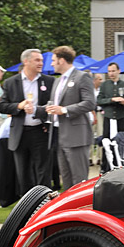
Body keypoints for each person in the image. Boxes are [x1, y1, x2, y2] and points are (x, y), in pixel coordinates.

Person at [0, 48, 55, 194]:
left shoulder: (49, 81)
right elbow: (2, 106)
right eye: (37, 60)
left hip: (41, 132)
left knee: (43, 172)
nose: (41, 63)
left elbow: (52, 105)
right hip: (20, 133)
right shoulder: (11, 82)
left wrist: (38, 111)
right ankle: (27, 208)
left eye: (41, 60)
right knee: (23, 173)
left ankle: (44, 206)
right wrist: (18, 106)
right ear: (26, 61)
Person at [45, 46, 96, 190]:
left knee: (79, 180)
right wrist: (36, 109)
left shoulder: (82, 77)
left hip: (77, 136)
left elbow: (90, 103)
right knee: (66, 179)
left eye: (53, 60)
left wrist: (64, 110)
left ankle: (83, 209)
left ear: (61, 60)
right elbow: (53, 105)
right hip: (59, 136)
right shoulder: (57, 81)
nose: (51, 64)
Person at [96, 62, 124, 138]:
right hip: (108, 117)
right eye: (109, 71)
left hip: (121, 117)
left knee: (122, 140)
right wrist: (112, 99)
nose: (111, 73)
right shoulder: (104, 85)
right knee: (107, 140)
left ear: (119, 71)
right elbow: (99, 100)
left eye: (113, 71)